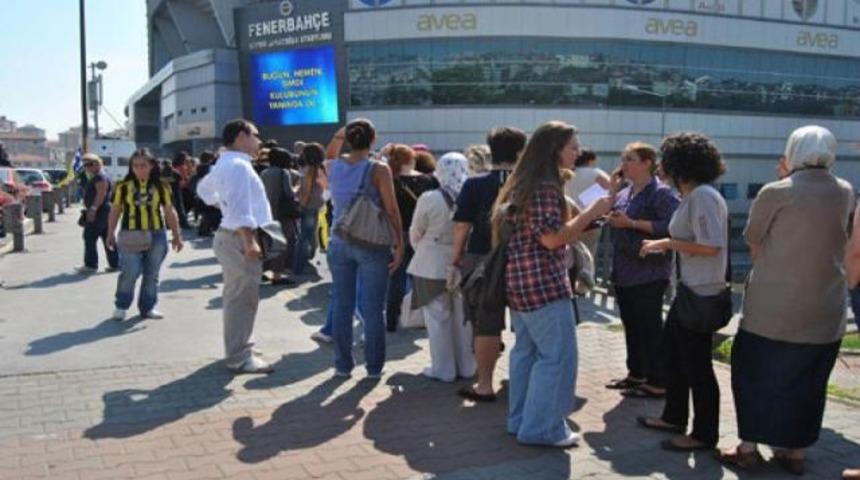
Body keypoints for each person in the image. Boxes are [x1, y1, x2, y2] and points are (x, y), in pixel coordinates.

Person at [716, 126, 854, 475]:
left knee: (753, 376)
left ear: (793, 151)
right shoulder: (844, 191)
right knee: (808, 383)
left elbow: (755, 241)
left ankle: (747, 447)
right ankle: (795, 452)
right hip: (825, 306)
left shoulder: (776, 191)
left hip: (772, 306)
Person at [494, 121, 613, 447]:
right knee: (556, 358)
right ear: (554, 149)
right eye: (572, 146)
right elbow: (552, 239)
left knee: (526, 355)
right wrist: (591, 213)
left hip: (520, 282)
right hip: (544, 284)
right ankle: (541, 429)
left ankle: (520, 422)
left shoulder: (525, 183)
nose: (578, 151)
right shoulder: (546, 187)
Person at [637, 132, 728, 453]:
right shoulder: (695, 196)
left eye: (666, 158)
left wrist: (665, 242)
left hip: (699, 294)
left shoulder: (702, 196)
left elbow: (710, 246)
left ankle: (704, 434)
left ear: (680, 164)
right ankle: (674, 416)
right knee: (672, 357)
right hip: (689, 291)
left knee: (697, 366)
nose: (661, 165)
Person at [452, 126, 526, 403]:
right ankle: (524, 379)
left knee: (486, 323)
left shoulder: (475, 184)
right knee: (526, 323)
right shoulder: (528, 183)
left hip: (482, 258)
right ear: (521, 152)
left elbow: (462, 225)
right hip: (524, 259)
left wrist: (456, 258)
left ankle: (484, 384)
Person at [325, 119, 404, 379]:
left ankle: (342, 366)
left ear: (348, 138)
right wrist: (399, 243)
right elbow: (391, 209)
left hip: (339, 242)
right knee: (372, 309)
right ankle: (373, 368)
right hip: (371, 242)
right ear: (373, 139)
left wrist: (340, 135)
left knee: (342, 306)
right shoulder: (378, 168)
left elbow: (330, 151)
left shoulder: (333, 166)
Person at [197, 119, 275, 374]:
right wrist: (249, 240)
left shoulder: (226, 162)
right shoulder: (238, 166)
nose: (259, 141)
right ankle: (238, 355)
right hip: (238, 238)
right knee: (242, 298)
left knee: (239, 296)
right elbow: (241, 209)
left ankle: (240, 346)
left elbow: (205, 191)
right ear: (241, 136)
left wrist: (225, 207)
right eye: (255, 135)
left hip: (230, 236)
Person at [605, 143, 680, 399]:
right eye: (623, 158)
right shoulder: (625, 193)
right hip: (624, 270)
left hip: (649, 271)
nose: (624, 164)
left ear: (648, 162)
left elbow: (672, 226)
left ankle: (658, 380)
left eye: (631, 159)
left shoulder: (661, 193)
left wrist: (632, 223)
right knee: (632, 325)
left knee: (649, 327)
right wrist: (612, 195)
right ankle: (636, 373)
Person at [408, 152, 476, 382]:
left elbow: (416, 232)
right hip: (466, 264)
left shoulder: (429, 197)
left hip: (432, 262)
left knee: (438, 318)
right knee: (463, 318)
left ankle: (444, 369)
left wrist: (424, 248)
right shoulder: (472, 195)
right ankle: (468, 366)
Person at [105, 149, 183, 321]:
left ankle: (148, 307)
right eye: (135, 166)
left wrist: (177, 235)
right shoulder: (122, 187)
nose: (139, 169)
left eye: (143, 166)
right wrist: (110, 233)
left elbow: (170, 211)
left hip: (156, 234)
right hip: (130, 234)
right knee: (130, 271)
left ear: (152, 166)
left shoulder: (162, 186)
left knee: (152, 273)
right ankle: (121, 305)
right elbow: (115, 211)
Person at [386, 144, 439, 331]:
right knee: (421, 278)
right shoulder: (429, 180)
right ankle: (420, 318)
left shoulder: (390, 181)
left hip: (397, 233)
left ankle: (391, 319)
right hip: (423, 234)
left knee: (396, 278)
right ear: (412, 159)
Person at [260, 147, 300, 286]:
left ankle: (263, 271)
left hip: (266, 213)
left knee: (267, 243)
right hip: (282, 214)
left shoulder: (264, 172)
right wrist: (297, 190)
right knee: (283, 244)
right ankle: (277, 275)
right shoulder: (284, 173)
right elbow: (289, 194)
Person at [76, 154, 119, 274]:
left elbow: (101, 194)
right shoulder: (102, 175)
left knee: (89, 236)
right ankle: (115, 263)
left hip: (100, 211)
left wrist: (93, 209)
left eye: (88, 165)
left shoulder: (100, 177)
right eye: (85, 165)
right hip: (104, 210)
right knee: (107, 236)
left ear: (96, 164)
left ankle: (91, 265)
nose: (86, 168)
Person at [565, 148, 611, 258]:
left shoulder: (568, 174)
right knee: (588, 255)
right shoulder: (596, 173)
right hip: (592, 221)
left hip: (569, 219)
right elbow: (610, 191)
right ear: (590, 160)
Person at [293, 143, 327, 276]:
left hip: (308, 205)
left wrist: (301, 205)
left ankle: (298, 266)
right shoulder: (321, 168)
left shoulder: (309, 170)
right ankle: (303, 262)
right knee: (309, 234)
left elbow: (306, 191)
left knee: (304, 236)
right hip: (316, 204)